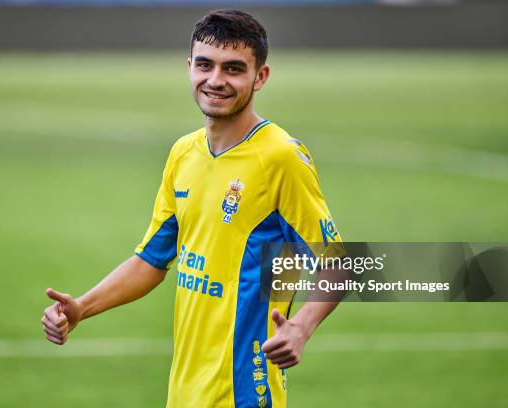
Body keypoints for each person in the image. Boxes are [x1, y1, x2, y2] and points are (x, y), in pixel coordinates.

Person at [42, 9, 343, 408]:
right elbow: (151, 259)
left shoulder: (280, 158)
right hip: (184, 391)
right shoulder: (183, 153)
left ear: (261, 77)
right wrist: (83, 307)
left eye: (233, 69)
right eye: (205, 65)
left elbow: (338, 262)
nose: (215, 80)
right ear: (189, 68)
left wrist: (301, 328)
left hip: (243, 392)